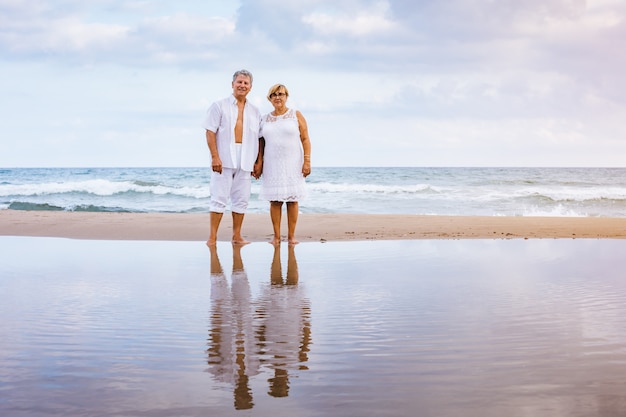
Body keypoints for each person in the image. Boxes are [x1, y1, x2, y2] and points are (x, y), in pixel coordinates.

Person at [203, 69, 263, 246]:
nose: (242, 85)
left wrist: (259, 161)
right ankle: (212, 238)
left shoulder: (255, 111)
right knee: (218, 198)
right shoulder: (219, 105)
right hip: (224, 158)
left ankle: (237, 236)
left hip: (246, 159)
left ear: (250, 87)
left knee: (241, 199)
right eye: (239, 82)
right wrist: (215, 156)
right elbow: (209, 131)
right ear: (232, 84)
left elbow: (260, 138)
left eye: (246, 83)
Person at [258, 84, 311, 245]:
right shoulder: (265, 119)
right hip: (272, 163)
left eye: (281, 94)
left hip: (293, 163)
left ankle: (291, 236)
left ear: (286, 96)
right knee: (275, 200)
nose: (277, 97)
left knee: (292, 200)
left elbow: (305, 139)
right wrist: (259, 162)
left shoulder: (295, 115)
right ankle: (276, 237)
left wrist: (307, 160)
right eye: (273, 95)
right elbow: (261, 143)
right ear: (270, 98)